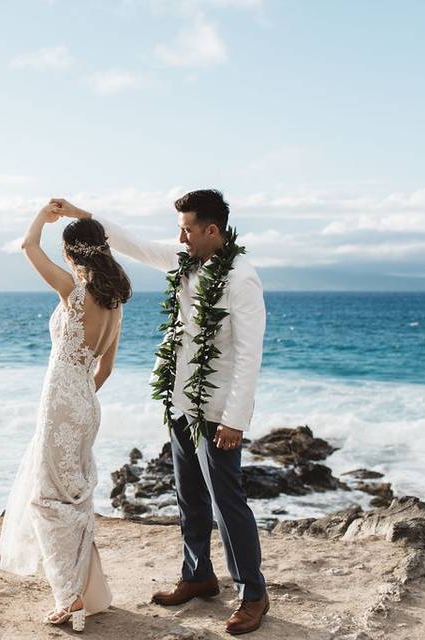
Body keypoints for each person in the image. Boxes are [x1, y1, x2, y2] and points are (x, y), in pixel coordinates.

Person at [51, 190, 270, 635]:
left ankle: (253, 593)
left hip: (216, 408)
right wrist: (81, 215)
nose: (180, 236)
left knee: (228, 503)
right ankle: (198, 576)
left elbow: (249, 354)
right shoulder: (184, 259)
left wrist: (235, 419)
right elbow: (131, 244)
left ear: (213, 230)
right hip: (181, 400)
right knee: (190, 495)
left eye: (188, 228)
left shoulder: (242, 277)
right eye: (180, 229)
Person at [0, 202, 132, 632]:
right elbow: (104, 370)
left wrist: (43, 213)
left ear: (75, 254)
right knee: (73, 497)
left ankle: (69, 595)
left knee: (46, 499)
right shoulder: (115, 304)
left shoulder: (74, 293)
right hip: (86, 405)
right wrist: (76, 213)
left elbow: (27, 245)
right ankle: (84, 590)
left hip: (60, 404)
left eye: (67, 253)